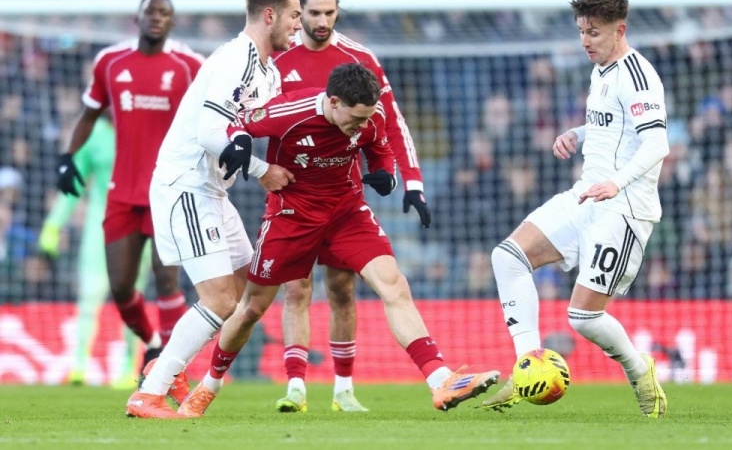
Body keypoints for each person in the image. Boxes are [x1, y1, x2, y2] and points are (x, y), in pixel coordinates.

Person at [176, 63, 499, 418]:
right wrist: (252, 158)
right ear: (333, 102)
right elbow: (236, 122)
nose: (361, 125)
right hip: (292, 216)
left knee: (394, 285)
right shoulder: (289, 112)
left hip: (347, 213)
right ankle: (209, 384)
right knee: (252, 307)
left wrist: (385, 173)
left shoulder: (370, 115)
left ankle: (440, 379)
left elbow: (380, 147)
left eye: (366, 118)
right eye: (355, 118)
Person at [481, 0, 670, 417]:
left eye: (594, 32)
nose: (585, 40)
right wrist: (577, 134)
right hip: (586, 196)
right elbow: (612, 125)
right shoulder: (600, 70)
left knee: (582, 318)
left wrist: (616, 183)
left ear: (620, 30)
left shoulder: (638, 75)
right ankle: (528, 367)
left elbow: (656, 143)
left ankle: (639, 369)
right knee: (507, 257)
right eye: (582, 31)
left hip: (623, 210)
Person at [125, 0, 303, 419]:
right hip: (187, 184)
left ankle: (167, 365)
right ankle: (149, 392)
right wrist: (261, 171)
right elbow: (209, 133)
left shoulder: (268, 72)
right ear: (269, 15)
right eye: (295, 15)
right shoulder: (235, 58)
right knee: (221, 299)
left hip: (214, 191)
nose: (298, 25)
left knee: (250, 290)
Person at [271, 0, 431, 413]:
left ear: (338, 9)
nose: (322, 21)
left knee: (342, 289)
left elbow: (391, 122)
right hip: (291, 194)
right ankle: (296, 388)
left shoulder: (359, 59)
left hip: (341, 197)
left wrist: (411, 181)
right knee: (296, 289)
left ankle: (343, 390)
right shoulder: (276, 58)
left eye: (329, 12)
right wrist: (258, 168)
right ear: (299, 10)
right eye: (313, 13)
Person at [56, 0, 204, 373]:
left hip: (167, 191)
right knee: (121, 288)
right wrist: (67, 157)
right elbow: (89, 115)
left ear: (172, 22)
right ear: (137, 18)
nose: (156, 17)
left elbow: (214, 115)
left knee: (166, 279)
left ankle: (171, 369)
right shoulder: (110, 61)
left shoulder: (189, 65)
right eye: (150, 11)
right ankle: (153, 345)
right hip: (122, 192)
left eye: (164, 13)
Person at [40, 116, 149, 387]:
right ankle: (78, 364)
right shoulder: (93, 133)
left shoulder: (144, 124)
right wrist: (53, 225)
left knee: (132, 299)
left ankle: (129, 367)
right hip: (99, 226)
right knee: (89, 296)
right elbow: (74, 183)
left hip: (138, 224)